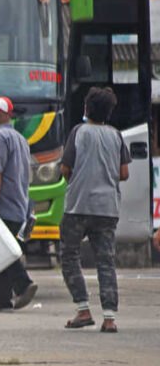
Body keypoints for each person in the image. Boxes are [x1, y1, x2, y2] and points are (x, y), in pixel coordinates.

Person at [60, 87, 130, 333]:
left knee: (69, 256)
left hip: (78, 206)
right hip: (107, 209)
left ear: (86, 109)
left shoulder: (78, 132)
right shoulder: (116, 135)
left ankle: (83, 309)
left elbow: (65, 168)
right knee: (106, 261)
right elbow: (124, 173)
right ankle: (109, 317)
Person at [0, 96, 38, 311]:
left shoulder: (0, 137)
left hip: (3, 205)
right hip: (18, 205)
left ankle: (17, 289)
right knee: (3, 250)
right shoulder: (19, 138)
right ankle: (7, 297)